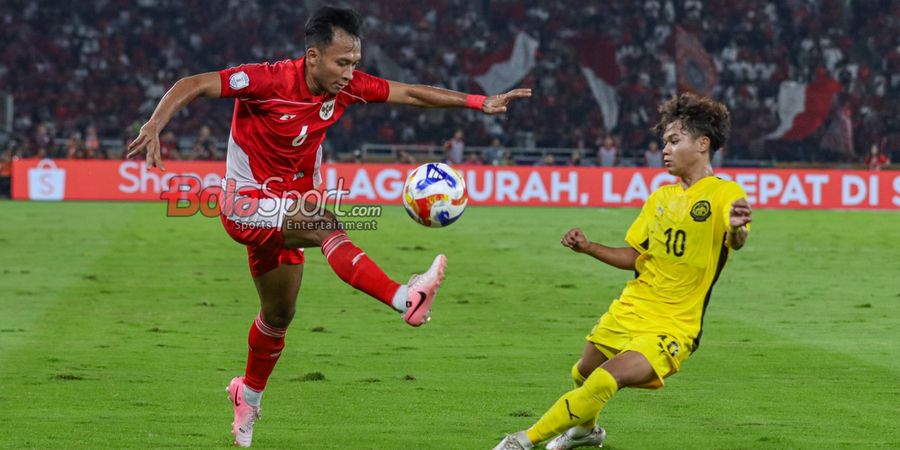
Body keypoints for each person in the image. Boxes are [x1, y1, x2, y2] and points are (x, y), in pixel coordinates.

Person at [126, 6, 530, 448]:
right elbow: (196, 84)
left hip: (289, 208)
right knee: (325, 223)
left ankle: (248, 395)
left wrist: (478, 102)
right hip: (245, 206)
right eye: (342, 62)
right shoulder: (267, 80)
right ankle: (405, 298)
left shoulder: (348, 88)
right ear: (313, 56)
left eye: (354, 62)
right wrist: (155, 122)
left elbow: (411, 94)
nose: (350, 73)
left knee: (279, 315)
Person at [494, 93, 752, 450]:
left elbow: (734, 240)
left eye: (674, 141)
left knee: (604, 379)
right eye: (664, 142)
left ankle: (522, 440)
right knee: (582, 373)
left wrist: (737, 228)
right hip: (633, 306)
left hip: (674, 323)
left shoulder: (725, 193)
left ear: (702, 144)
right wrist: (588, 247)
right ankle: (585, 431)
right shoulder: (661, 198)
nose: (665, 149)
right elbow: (635, 256)